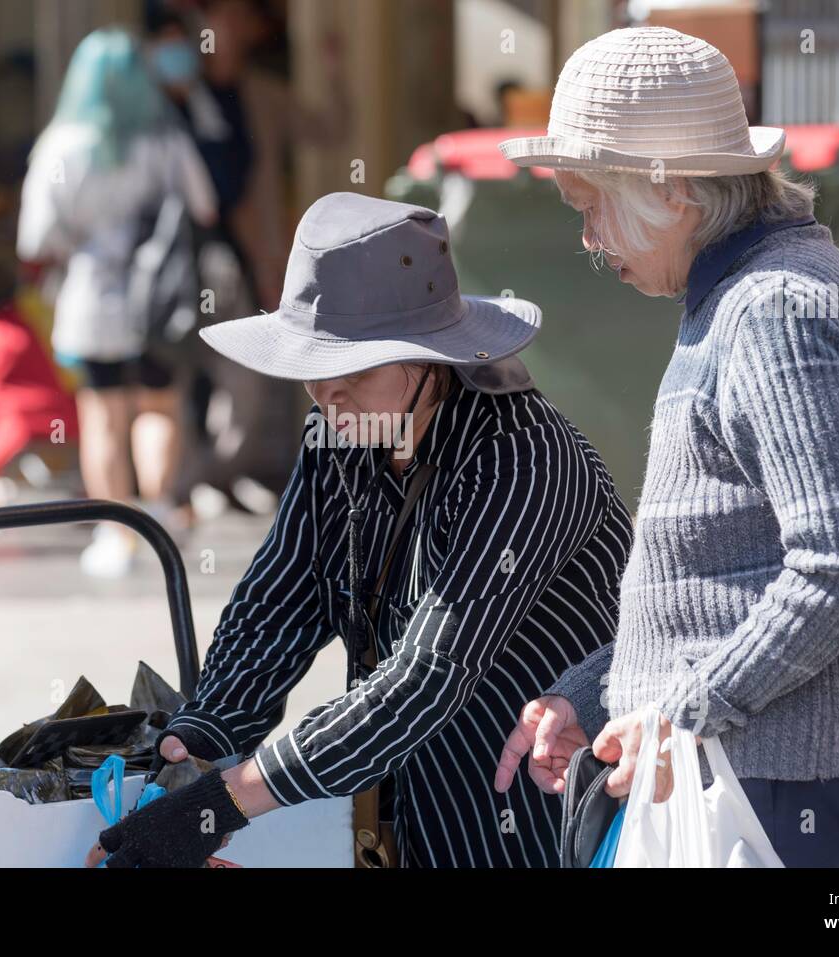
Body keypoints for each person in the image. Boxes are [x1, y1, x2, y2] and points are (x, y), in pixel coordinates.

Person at [84, 193, 632, 868]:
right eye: (314, 371)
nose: (327, 393)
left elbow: (427, 675)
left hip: (535, 820)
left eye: (355, 370)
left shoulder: (523, 456)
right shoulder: (341, 432)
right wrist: (205, 732)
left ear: (432, 359)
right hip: (405, 818)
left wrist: (223, 802)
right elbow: (277, 603)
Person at [494, 26, 839, 867]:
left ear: (670, 188)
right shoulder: (742, 296)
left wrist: (688, 705)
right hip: (746, 775)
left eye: (590, 203)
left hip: (767, 788)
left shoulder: (773, 309)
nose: (587, 237)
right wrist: (591, 696)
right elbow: (711, 589)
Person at [17, 28, 217, 578]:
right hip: (160, 300)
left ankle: (114, 530)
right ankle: (157, 512)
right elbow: (204, 208)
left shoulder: (61, 145)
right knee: (158, 406)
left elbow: (36, 238)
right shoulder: (164, 139)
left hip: (92, 299)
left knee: (103, 415)